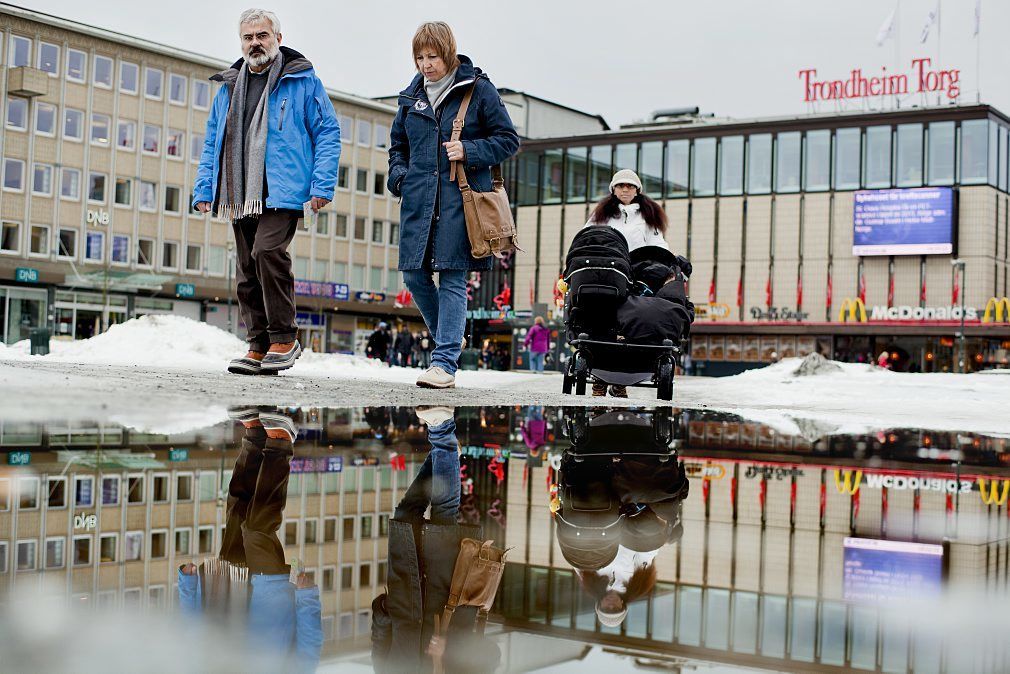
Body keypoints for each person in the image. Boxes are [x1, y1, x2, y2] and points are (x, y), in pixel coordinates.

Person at [193, 9, 340, 376]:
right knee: (246, 268)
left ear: (278, 38)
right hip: (241, 190)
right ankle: (258, 344)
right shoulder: (229, 87)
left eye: (262, 35)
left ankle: (284, 338)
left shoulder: (303, 81)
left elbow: (327, 132)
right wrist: (204, 187)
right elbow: (212, 141)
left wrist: (322, 185)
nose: (255, 43)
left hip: (284, 190)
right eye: (248, 37)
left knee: (267, 251)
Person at [388, 22, 520, 389]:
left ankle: (444, 362)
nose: (425, 64)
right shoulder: (410, 97)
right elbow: (398, 147)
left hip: (460, 201)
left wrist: (470, 150)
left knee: (452, 277)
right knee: (413, 276)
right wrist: (400, 178)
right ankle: (449, 335)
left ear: (448, 53)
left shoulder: (478, 90)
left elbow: (508, 140)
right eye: (419, 57)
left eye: (432, 56)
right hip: (418, 201)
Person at [178, 407, 321, 672]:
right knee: (257, 529)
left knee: (237, 514)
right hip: (271, 596)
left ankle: (255, 438)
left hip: (227, 593)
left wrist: (187, 585)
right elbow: (308, 650)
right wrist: (307, 597)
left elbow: (192, 639)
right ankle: (280, 443)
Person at [370, 407, 501, 673]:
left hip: (404, 596)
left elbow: (380, 645)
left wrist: (383, 612)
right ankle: (442, 431)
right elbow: (490, 655)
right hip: (446, 598)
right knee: (444, 512)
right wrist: (450, 649)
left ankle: (445, 453)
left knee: (405, 514)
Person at [586, 169, 669, 253]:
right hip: (610, 260)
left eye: (630, 186)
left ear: (637, 191)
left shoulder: (648, 214)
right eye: (620, 185)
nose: (625, 190)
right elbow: (586, 238)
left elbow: (657, 243)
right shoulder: (602, 213)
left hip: (639, 260)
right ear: (613, 190)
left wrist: (667, 256)